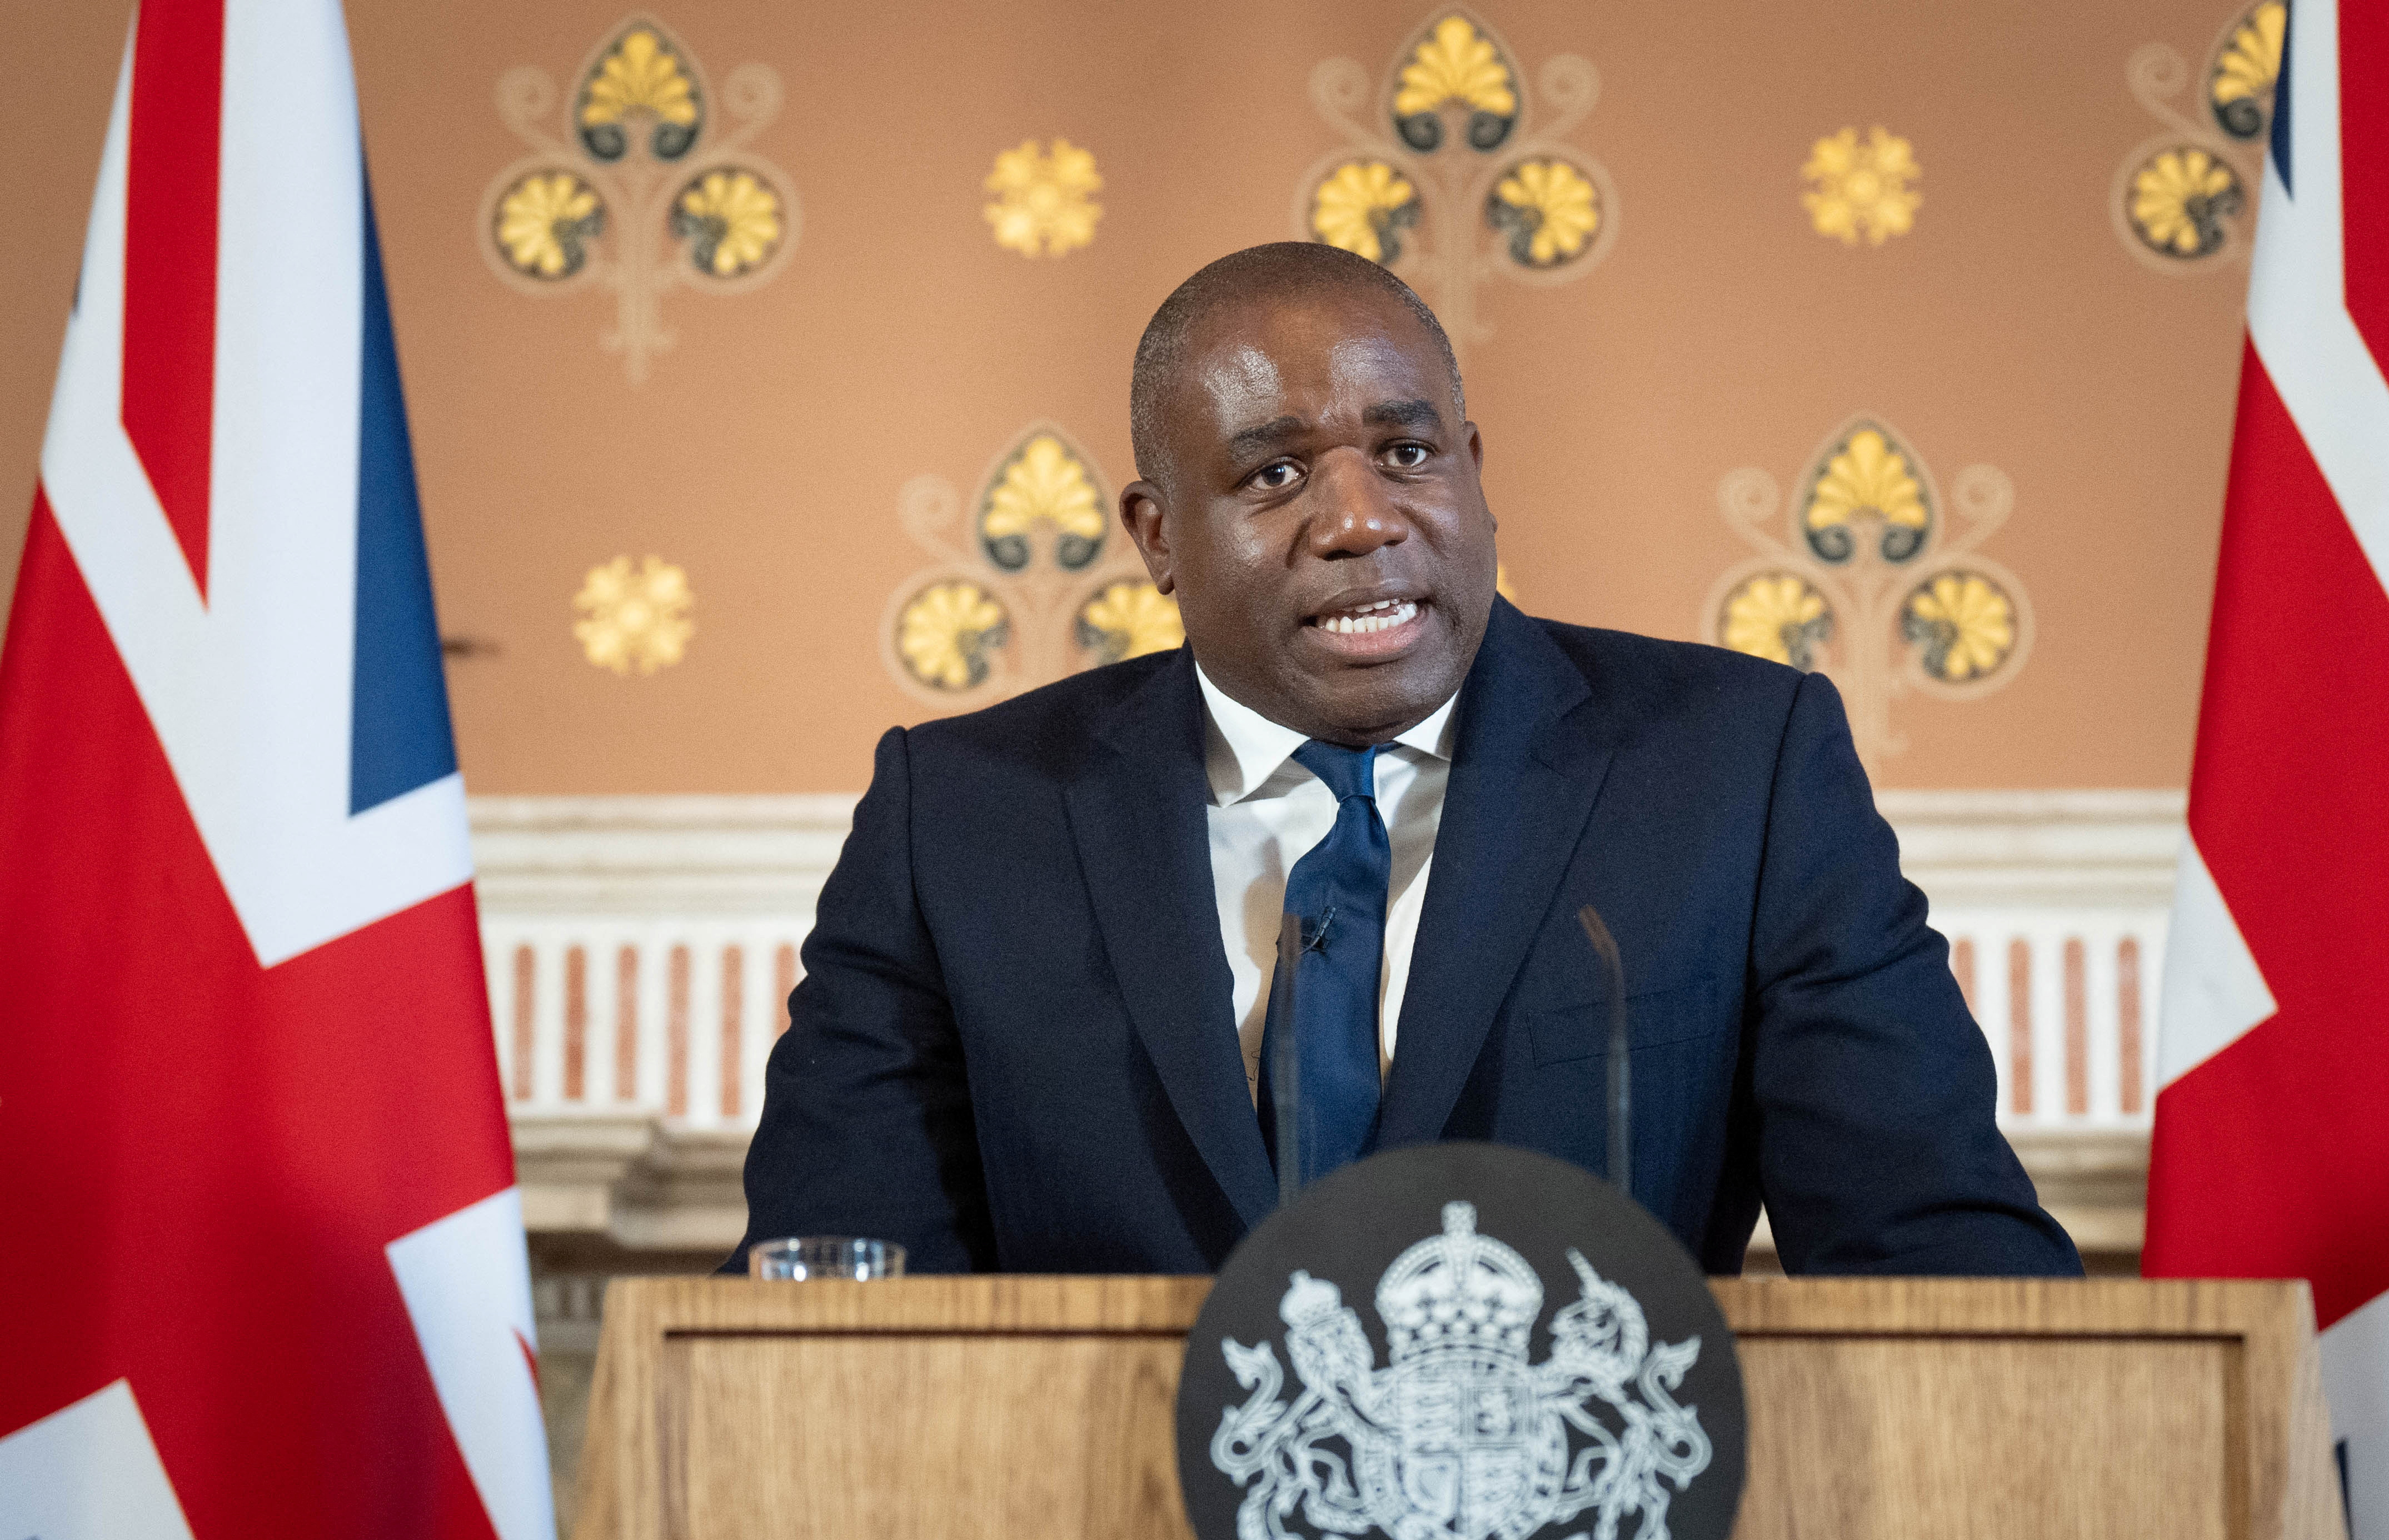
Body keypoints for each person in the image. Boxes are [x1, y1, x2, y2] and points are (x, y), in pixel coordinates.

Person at [728, 242, 2079, 1278]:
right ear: (1154, 535)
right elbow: (833, 1286)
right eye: (1272, 476)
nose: (1363, 520)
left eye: (1406, 450)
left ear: (1474, 474)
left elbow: (1942, 1261)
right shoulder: (963, 822)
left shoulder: (1733, 772)